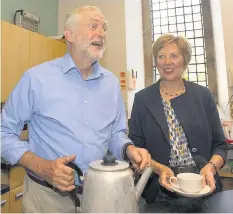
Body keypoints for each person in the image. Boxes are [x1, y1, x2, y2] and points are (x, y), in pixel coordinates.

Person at [1, 6, 151, 213]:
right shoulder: (36, 79)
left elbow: (115, 134)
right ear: (69, 34)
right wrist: (42, 167)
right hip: (46, 199)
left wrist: (129, 150)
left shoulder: (111, 84)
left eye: (104, 28)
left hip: (99, 195)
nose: (102, 33)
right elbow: (3, 134)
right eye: (93, 26)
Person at [128, 34, 227, 211]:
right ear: (156, 61)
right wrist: (158, 169)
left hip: (204, 187)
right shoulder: (142, 99)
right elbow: (135, 149)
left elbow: (220, 145)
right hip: (160, 191)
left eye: (174, 55)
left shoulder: (203, 96)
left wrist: (211, 167)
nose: (167, 62)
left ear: (184, 59)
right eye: (161, 56)